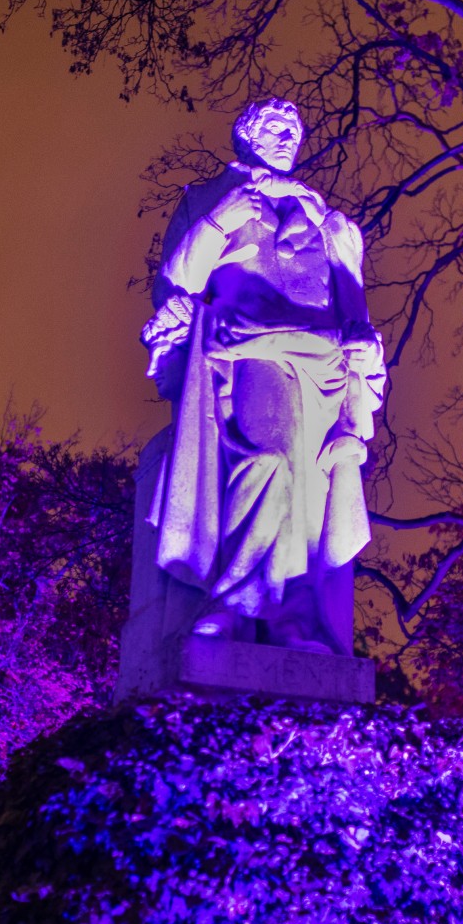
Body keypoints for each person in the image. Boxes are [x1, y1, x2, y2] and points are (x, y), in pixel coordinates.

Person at [138, 98, 386, 656]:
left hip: (323, 361)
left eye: (294, 132)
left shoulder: (327, 217)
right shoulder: (212, 198)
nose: (285, 139)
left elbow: (353, 305)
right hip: (249, 350)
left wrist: (364, 348)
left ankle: (295, 616)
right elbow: (178, 280)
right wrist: (221, 216)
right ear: (246, 135)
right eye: (274, 129)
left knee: (313, 491)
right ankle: (239, 602)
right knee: (269, 461)